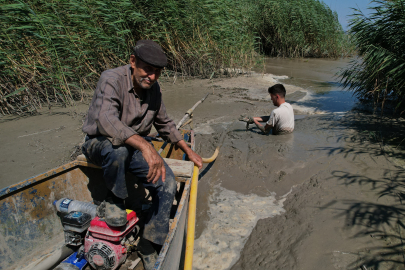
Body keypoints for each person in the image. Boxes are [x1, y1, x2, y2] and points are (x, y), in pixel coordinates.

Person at [81, 40, 202, 268]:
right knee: (116, 149)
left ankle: (149, 243)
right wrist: (146, 147)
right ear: (133, 61)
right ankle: (115, 199)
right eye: (148, 69)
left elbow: (164, 123)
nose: (152, 76)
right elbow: (107, 121)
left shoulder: (154, 89)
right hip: (100, 144)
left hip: (133, 147)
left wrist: (188, 149)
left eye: (157, 72)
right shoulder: (111, 79)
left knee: (167, 183)